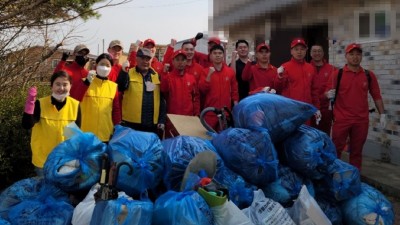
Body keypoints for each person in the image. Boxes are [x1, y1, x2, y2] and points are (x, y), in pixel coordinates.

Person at [326, 43, 386, 170]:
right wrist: (328, 94)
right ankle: (332, 177)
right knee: (335, 150)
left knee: (357, 152)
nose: (355, 57)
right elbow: (326, 93)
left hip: (361, 120)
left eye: (358, 54)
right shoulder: (338, 74)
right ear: (346, 56)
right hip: (341, 119)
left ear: (361, 56)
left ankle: (354, 179)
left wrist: (383, 114)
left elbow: (377, 96)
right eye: (351, 54)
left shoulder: (369, 75)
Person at [22, 71, 81, 176]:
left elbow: (74, 136)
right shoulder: (41, 103)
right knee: (45, 189)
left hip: (65, 160)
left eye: (65, 84)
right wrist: (30, 104)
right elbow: (27, 125)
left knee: (61, 191)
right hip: (43, 159)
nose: (61, 88)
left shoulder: (75, 105)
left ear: (71, 86)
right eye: (57, 84)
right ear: (52, 86)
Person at [117, 48, 166, 137]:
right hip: (131, 124)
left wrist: (161, 120)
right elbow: (120, 87)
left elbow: (162, 100)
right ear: (136, 59)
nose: (145, 61)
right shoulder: (128, 73)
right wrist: (123, 73)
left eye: (148, 58)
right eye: (142, 58)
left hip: (152, 126)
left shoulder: (157, 76)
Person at [75, 53, 121, 142]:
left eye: (108, 65)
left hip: (106, 134)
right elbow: (76, 99)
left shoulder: (113, 86)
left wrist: (118, 128)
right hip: (85, 134)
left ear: (111, 68)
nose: (104, 67)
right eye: (102, 64)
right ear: (96, 65)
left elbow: (116, 110)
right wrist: (86, 83)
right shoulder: (85, 82)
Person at [275, 38, 321, 123]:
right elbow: (278, 88)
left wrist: (317, 108)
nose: (299, 52)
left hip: (306, 110)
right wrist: (279, 77)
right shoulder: (285, 67)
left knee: (305, 134)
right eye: (296, 49)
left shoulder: (310, 68)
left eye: (302, 49)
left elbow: (314, 91)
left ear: (306, 51)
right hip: (290, 111)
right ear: (291, 51)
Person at [199, 45, 239, 132]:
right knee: (210, 138)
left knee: (224, 139)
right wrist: (209, 75)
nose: (217, 55)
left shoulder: (230, 72)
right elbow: (202, 89)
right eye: (215, 53)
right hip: (210, 113)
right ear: (210, 56)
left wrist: (236, 105)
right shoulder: (205, 71)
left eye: (220, 53)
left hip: (225, 113)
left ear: (223, 55)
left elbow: (234, 90)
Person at [160, 50, 200, 116]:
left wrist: (196, 113)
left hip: (188, 117)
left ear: (186, 61)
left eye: (183, 60)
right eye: (177, 60)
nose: (180, 62)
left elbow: (196, 98)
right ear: (173, 62)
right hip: (172, 117)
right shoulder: (168, 77)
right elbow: (163, 90)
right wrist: (164, 74)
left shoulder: (191, 78)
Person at [310, 44, 336, 135]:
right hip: (310, 109)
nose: (317, 53)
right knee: (311, 137)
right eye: (314, 51)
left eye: (319, 51)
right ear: (310, 53)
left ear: (323, 53)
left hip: (326, 111)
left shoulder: (331, 69)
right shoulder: (306, 68)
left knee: (325, 136)